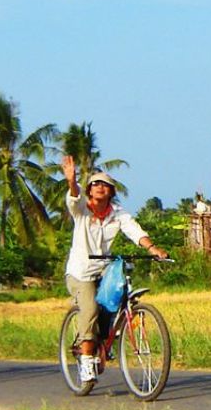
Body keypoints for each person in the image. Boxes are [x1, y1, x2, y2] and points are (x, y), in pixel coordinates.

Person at [61, 158, 168, 384]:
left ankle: (110, 336)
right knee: (89, 308)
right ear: (89, 190)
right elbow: (73, 199)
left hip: (103, 269)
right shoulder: (82, 210)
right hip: (80, 272)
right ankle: (87, 358)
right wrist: (72, 182)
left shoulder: (117, 213)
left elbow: (134, 230)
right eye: (96, 184)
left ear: (111, 192)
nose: (100, 187)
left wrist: (152, 248)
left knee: (119, 298)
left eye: (105, 185)